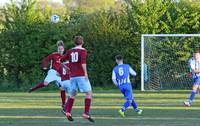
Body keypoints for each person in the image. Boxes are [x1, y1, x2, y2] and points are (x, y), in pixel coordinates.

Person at [60, 36, 94, 122]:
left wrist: (66, 68)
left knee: (73, 94)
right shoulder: (83, 50)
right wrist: (86, 73)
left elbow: (60, 60)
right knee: (89, 93)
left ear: (74, 43)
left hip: (72, 76)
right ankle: (86, 113)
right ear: (82, 42)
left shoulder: (70, 51)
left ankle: (68, 111)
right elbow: (83, 62)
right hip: (81, 75)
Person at [29, 40, 66, 109]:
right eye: (59, 49)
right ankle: (33, 88)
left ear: (63, 49)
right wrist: (44, 66)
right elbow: (45, 60)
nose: (60, 50)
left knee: (62, 88)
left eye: (61, 49)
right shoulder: (54, 55)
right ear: (57, 49)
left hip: (59, 75)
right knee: (45, 83)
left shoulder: (64, 57)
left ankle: (64, 104)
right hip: (52, 72)